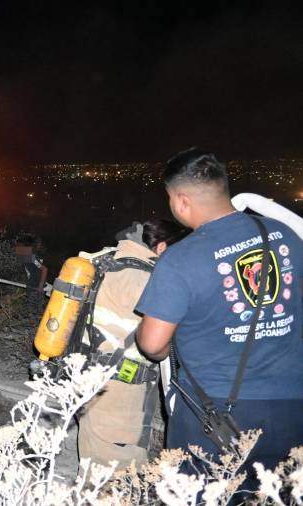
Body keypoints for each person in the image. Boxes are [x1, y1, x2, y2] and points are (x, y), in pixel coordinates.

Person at [136, 149, 303, 490]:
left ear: (181, 201)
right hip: (291, 405)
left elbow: (152, 344)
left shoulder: (180, 258)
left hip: (215, 415)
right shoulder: (285, 235)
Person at [76, 218, 189, 470]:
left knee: (95, 457)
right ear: (161, 247)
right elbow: (161, 339)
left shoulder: (108, 262)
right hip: (120, 389)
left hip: (89, 374)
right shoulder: (143, 277)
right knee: (120, 465)